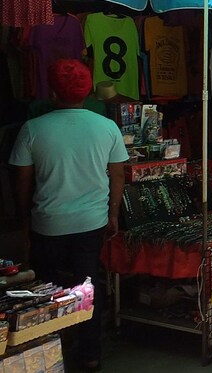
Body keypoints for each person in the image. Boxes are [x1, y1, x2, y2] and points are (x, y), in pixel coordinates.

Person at [10, 59, 130, 372]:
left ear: (52, 92)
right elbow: (117, 174)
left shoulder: (33, 128)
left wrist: (25, 218)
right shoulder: (106, 127)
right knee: (87, 284)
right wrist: (113, 213)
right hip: (92, 222)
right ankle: (90, 354)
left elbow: (22, 179)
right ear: (88, 91)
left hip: (47, 222)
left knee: (47, 288)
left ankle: (52, 351)